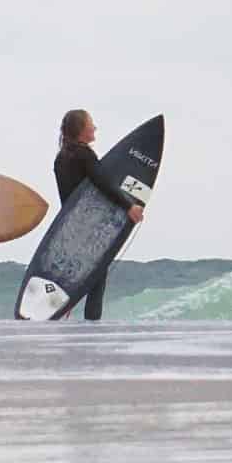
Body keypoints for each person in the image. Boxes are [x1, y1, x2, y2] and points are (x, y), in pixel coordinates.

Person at [52, 109, 145, 321]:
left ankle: (63, 312)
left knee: (82, 274)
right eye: (91, 123)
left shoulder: (61, 158)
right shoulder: (84, 154)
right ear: (81, 129)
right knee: (97, 276)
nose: (95, 127)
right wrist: (129, 206)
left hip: (70, 228)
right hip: (89, 227)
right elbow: (103, 183)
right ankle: (92, 323)